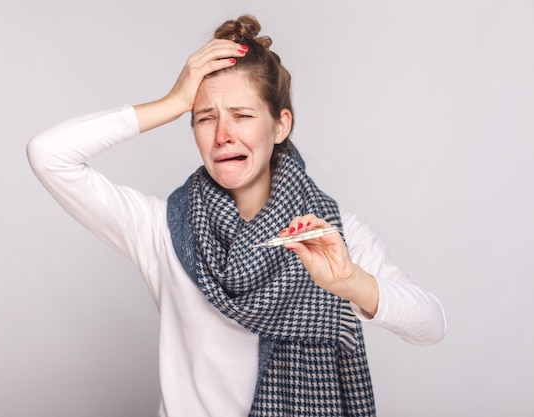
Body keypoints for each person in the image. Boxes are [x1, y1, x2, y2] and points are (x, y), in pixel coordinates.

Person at [27, 14, 446, 417]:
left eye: (243, 116)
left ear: (280, 126)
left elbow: (431, 325)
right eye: (205, 118)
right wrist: (172, 101)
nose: (223, 134)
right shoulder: (164, 231)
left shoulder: (330, 235)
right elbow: (48, 155)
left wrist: (348, 281)